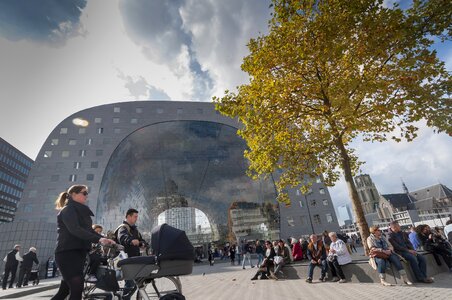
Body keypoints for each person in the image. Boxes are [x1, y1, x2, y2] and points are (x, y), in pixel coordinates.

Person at [50, 185, 115, 300]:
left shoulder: (80, 211)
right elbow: (75, 229)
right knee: (77, 288)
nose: (86, 196)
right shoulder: (68, 209)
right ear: (73, 194)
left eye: (87, 193)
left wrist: (104, 238)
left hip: (78, 253)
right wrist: (99, 239)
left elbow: (89, 231)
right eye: (84, 193)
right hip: (67, 253)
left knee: (64, 291)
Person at [117, 208, 146, 300]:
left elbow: (141, 240)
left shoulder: (134, 230)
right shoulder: (123, 228)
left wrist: (143, 244)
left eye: (137, 217)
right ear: (128, 216)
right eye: (135, 217)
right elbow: (122, 238)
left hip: (134, 260)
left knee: (134, 283)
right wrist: (131, 240)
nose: (136, 218)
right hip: (127, 260)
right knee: (129, 283)